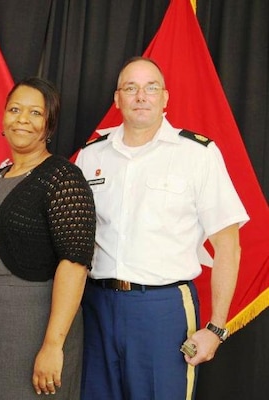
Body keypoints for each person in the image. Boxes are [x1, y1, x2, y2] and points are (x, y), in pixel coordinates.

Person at [75, 56, 249, 400]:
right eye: (131, 88)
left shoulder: (196, 154)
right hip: (95, 307)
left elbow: (228, 245)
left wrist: (216, 327)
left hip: (162, 310)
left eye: (151, 87)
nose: (141, 96)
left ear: (165, 98)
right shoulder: (90, 157)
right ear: (117, 98)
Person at [0, 77, 96, 399]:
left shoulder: (62, 177)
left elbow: (75, 263)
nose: (22, 118)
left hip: (34, 322)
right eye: (15, 109)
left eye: (35, 113)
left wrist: (52, 346)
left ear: (49, 126)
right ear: (4, 118)